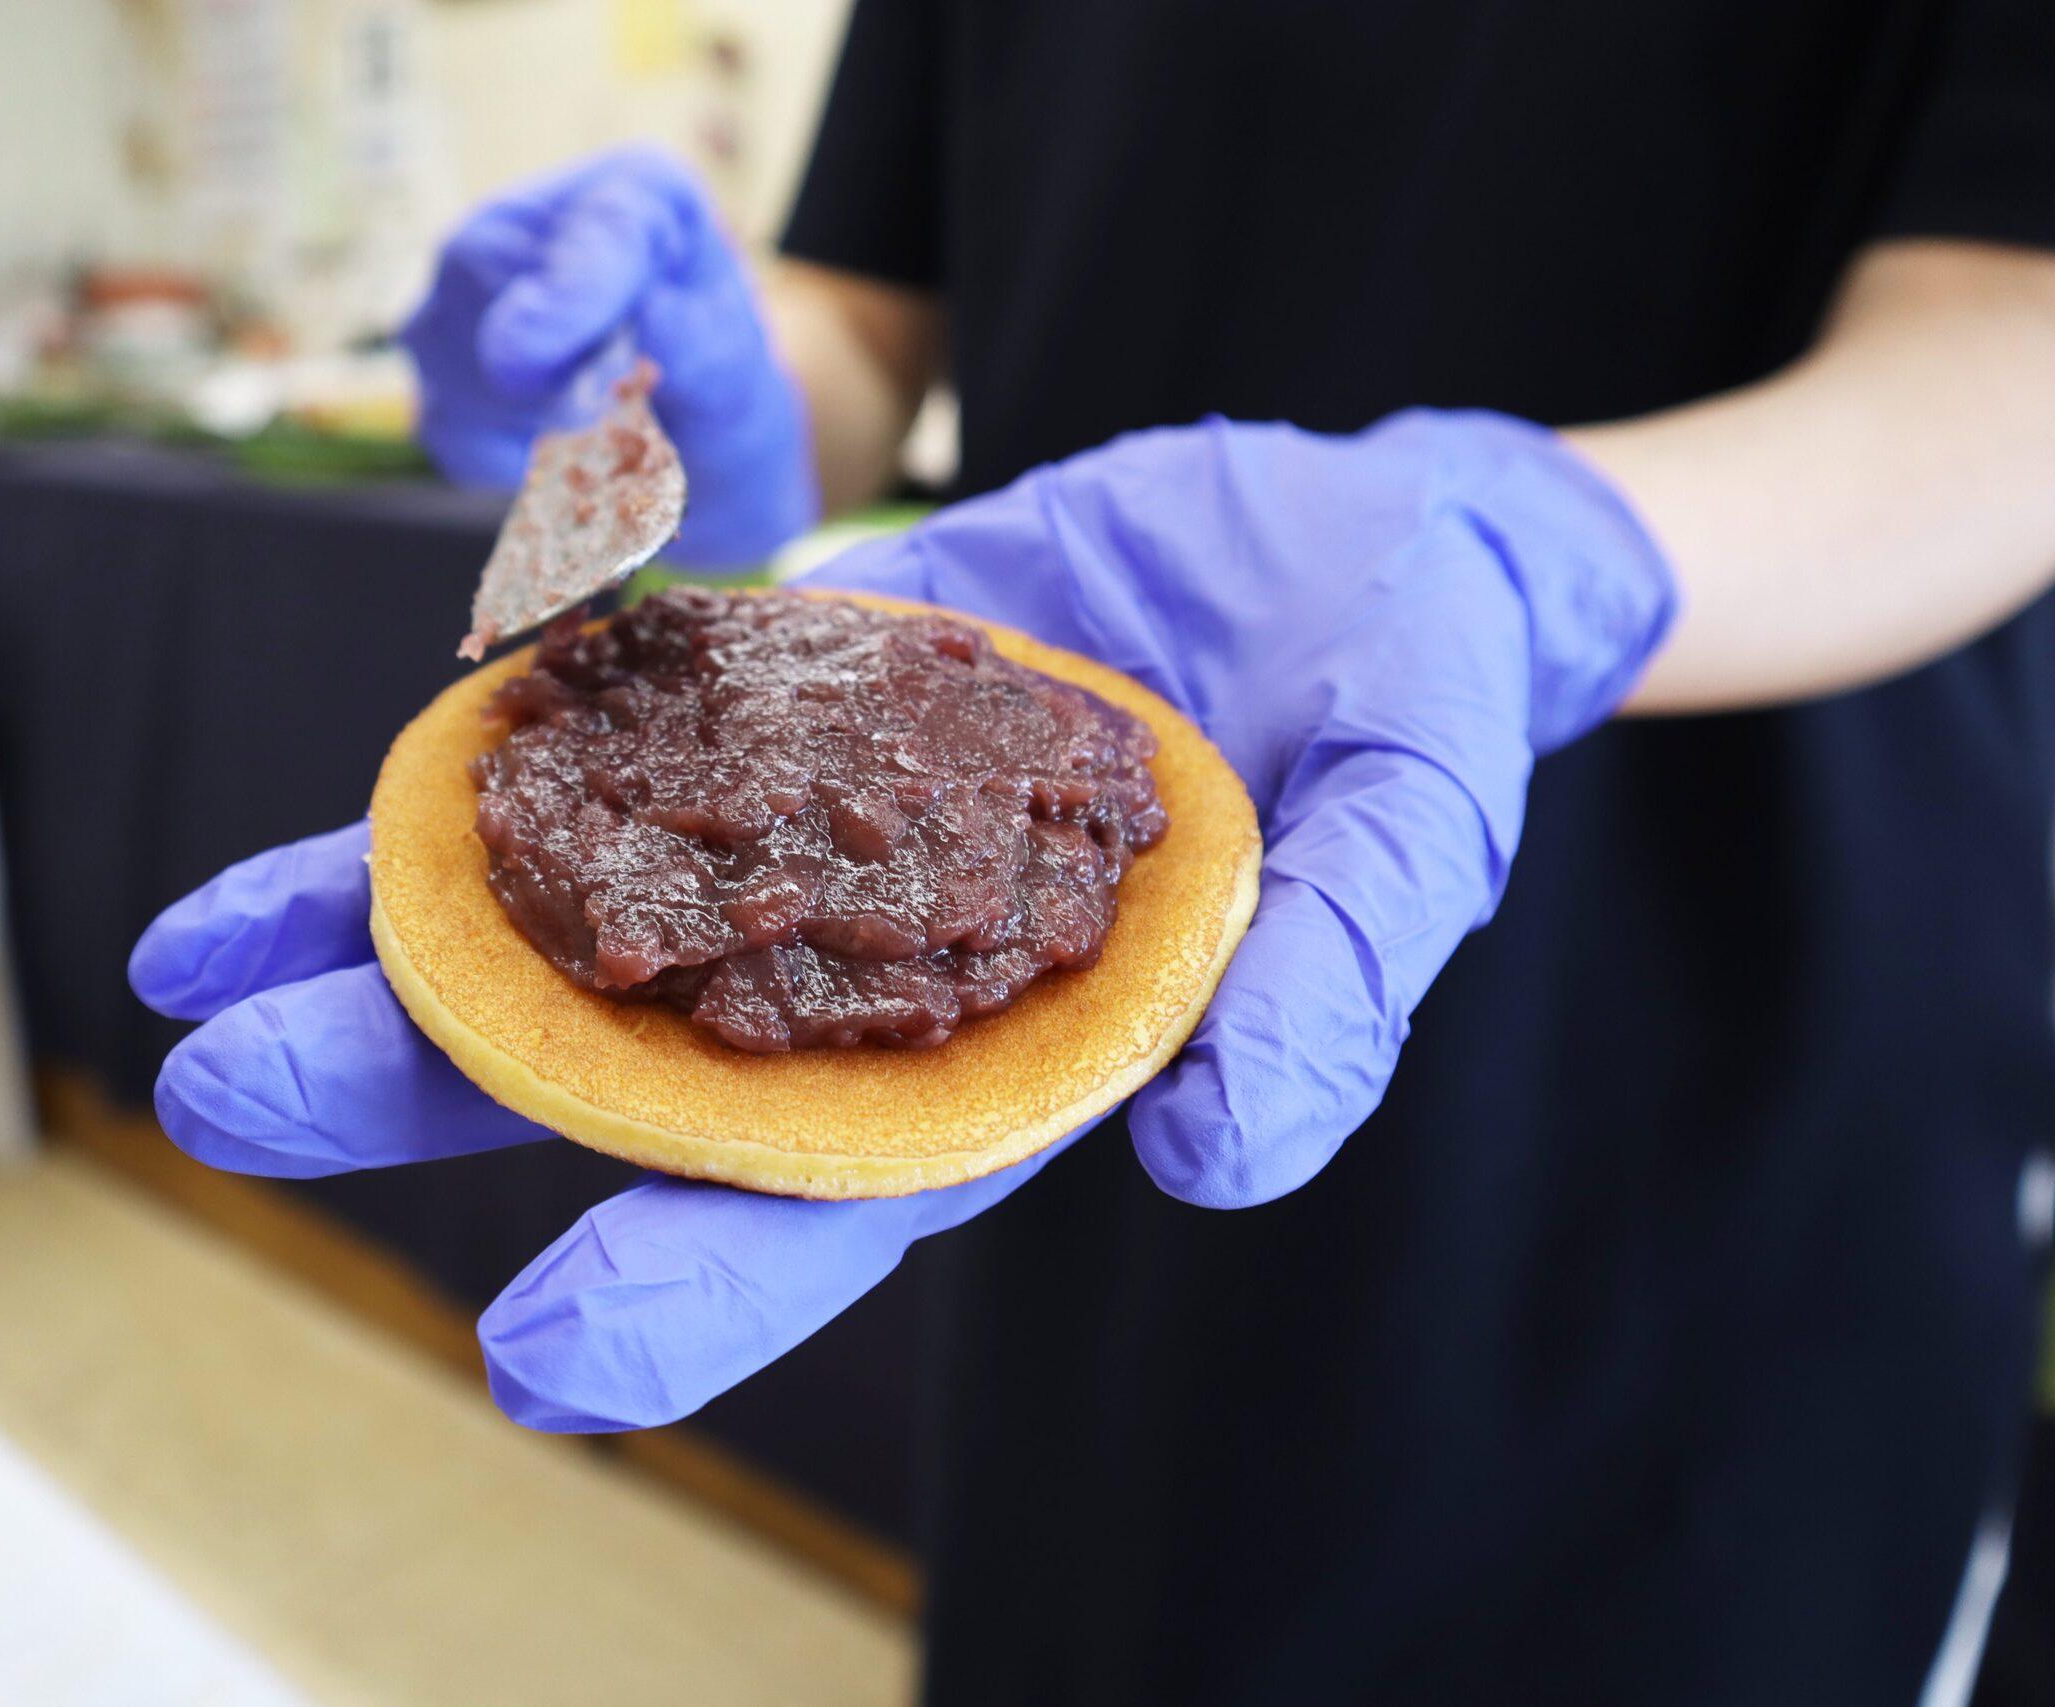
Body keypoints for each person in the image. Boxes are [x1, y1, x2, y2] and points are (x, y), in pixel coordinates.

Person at [130, 3, 2055, 1700]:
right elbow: (876, 314)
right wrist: (685, 385)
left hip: (1721, 1030)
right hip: (1073, 1033)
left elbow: (2014, 348)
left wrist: (1540, 540)